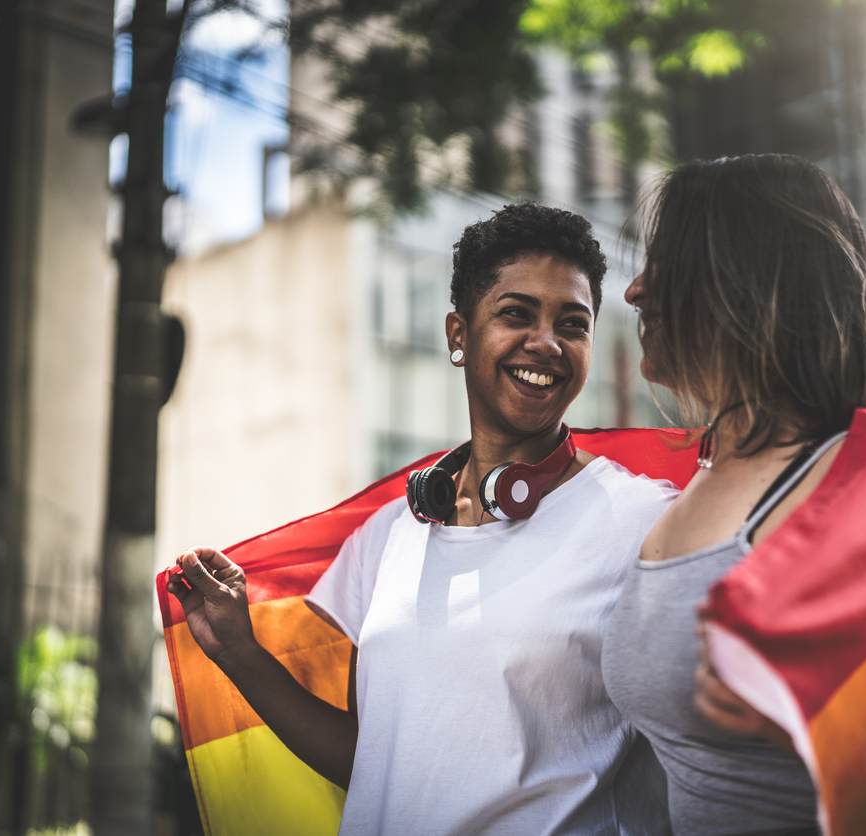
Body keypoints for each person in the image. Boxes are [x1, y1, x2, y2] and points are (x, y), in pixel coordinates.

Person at [166, 203, 679, 835]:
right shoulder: (386, 535)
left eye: (572, 324)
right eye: (516, 314)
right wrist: (239, 652)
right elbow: (376, 758)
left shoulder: (644, 524)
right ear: (458, 335)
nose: (546, 343)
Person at [603, 155, 866, 836]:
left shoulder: (836, 488)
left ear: (740, 282)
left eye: (665, 265)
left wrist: (808, 718)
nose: (634, 291)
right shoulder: (692, 481)